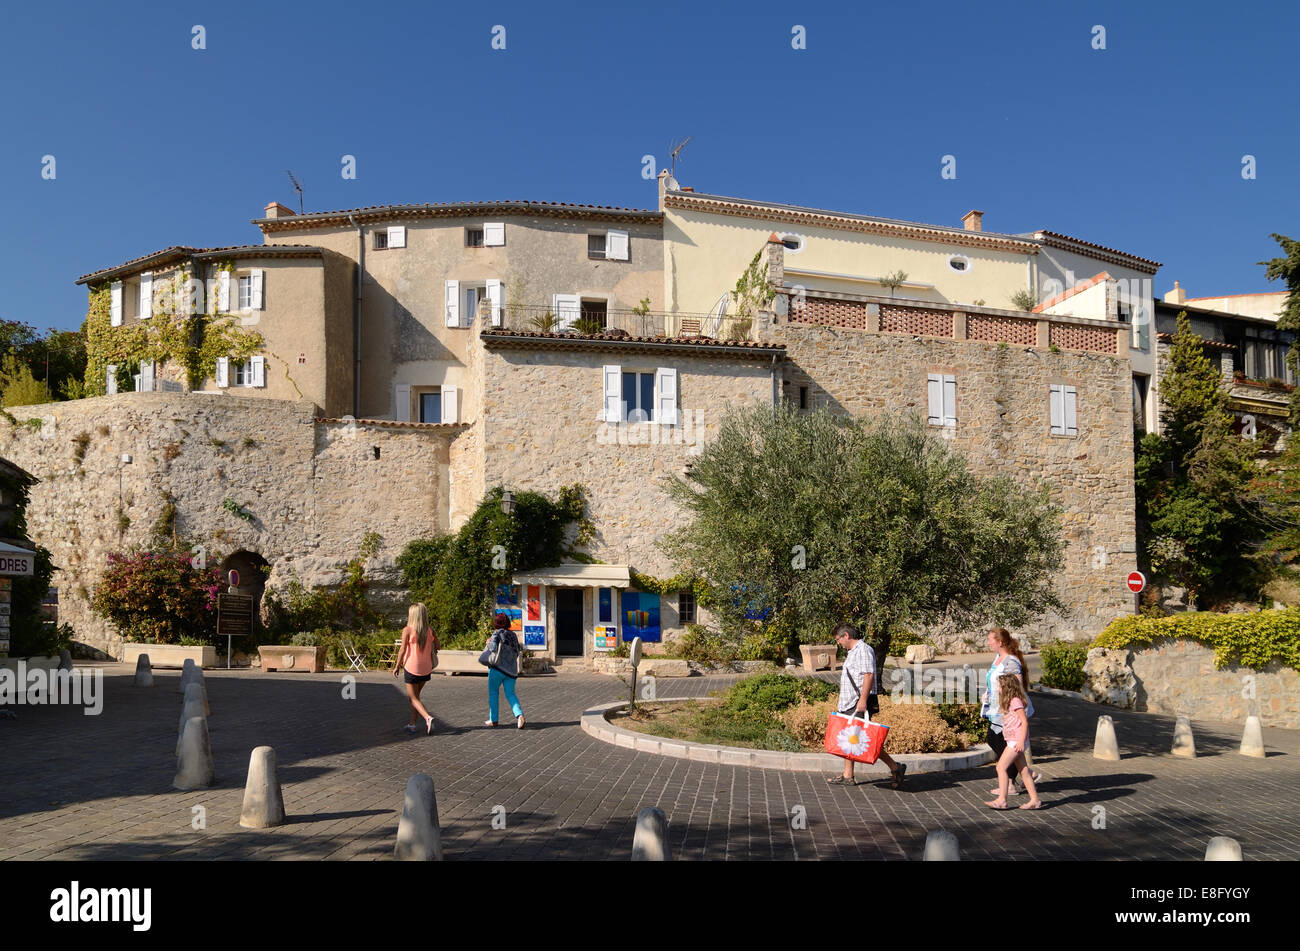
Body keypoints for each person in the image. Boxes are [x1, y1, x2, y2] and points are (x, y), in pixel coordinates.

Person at [826, 623, 906, 789]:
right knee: (851, 737)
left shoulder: (863, 650)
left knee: (862, 739)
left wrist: (862, 701)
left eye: (838, 639)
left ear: (846, 635)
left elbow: (868, 675)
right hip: (850, 701)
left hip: (858, 702)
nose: (838, 643)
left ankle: (895, 767)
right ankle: (849, 775)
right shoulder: (853, 652)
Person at [982, 627, 1041, 795]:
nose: (988, 642)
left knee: (1003, 743)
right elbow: (994, 680)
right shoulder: (998, 658)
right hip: (996, 707)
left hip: (1008, 711)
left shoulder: (1011, 662)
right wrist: (988, 694)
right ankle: (1024, 776)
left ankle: (1010, 783)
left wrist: (1011, 708)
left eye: (990, 640)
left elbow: (1016, 687)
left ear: (1000, 642)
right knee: (994, 739)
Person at [985, 674, 1042, 810]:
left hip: (1016, 741)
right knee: (1023, 771)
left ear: (1007, 687)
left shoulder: (1015, 701)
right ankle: (1035, 800)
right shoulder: (1009, 700)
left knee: (1000, 767)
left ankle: (1002, 800)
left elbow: (1024, 722)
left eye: (999, 686)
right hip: (1013, 740)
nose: (998, 688)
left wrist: (1022, 741)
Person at [393, 602, 439, 734]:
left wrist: (397, 666)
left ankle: (427, 717)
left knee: (413, 697)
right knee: (416, 697)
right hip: (426, 668)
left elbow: (402, 650)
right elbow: (438, 646)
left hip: (412, 666)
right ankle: (412, 724)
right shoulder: (429, 630)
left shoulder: (407, 629)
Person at [484, 612, 525, 729]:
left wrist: (488, 642)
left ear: (496, 623)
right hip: (511, 671)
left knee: (493, 693)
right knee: (511, 694)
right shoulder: (513, 635)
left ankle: (494, 719)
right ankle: (519, 715)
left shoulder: (497, 633)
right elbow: (517, 651)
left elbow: (492, 648)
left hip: (497, 668)